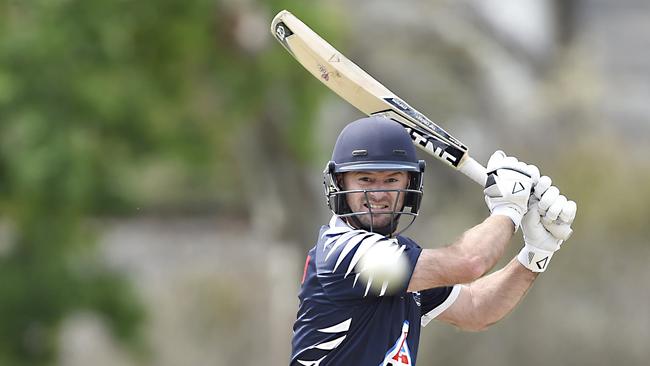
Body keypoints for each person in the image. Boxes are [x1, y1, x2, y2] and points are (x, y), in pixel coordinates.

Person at [290, 117, 577, 366]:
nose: (378, 193)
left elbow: (477, 308)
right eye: (365, 179)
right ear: (340, 183)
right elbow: (470, 262)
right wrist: (509, 209)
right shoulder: (344, 253)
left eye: (391, 180)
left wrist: (536, 253)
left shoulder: (401, 257)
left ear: (409, 185)